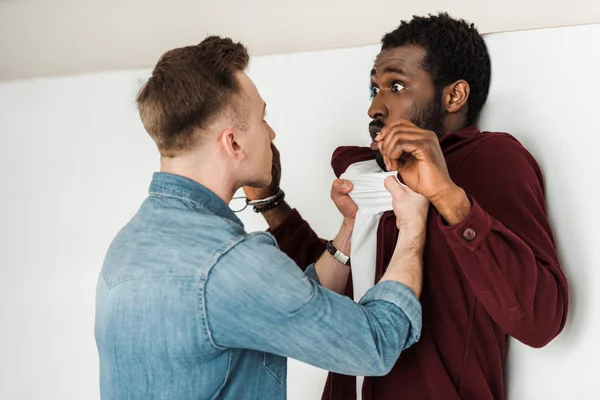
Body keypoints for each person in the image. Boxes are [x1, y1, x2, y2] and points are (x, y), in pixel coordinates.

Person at [246, 12, 569, 400]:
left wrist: (449, 198)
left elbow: (540, 320)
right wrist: (269, 201)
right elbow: (331, 300)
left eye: (396, 86)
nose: (374, 108)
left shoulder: (489, 161)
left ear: (453, 96)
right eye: (374, 89)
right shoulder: (363, 171)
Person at [94, 36, 430, 400]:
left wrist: (350, 227)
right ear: (233, 143)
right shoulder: (228, 263)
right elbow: (375, 344)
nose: (270, 134)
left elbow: (291, 303)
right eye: (261, 119)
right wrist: (412, 230)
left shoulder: (129, 245)